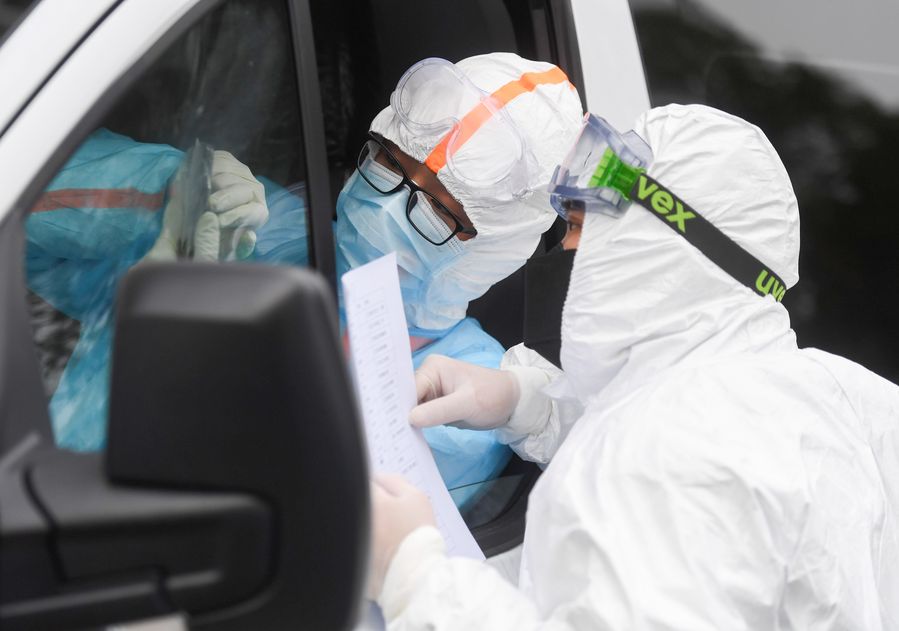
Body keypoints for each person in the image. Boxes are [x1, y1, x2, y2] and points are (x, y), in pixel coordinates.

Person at [368, 104, 899, 629]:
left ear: (661, 245)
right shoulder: (838, 400)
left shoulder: (676, 455)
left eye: (582, 226)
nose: (564, 246)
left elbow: (669, 463)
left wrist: (414, 578)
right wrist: (524, 401)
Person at [27, 53, 585, 500]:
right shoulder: (260, 223)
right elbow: (21, 202)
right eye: (391, 162)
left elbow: (297, 533)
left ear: (493, 250)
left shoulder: (462, 394)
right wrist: (165, 190)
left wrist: (169, 326)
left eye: (441, 208)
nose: (388, 205)